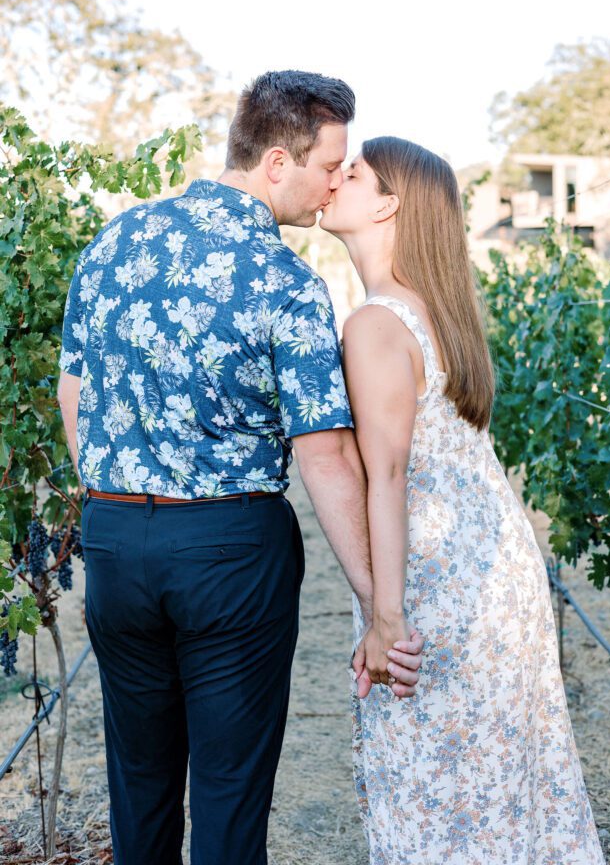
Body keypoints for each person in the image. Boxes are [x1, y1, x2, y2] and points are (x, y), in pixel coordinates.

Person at [57, 73, 422, 865]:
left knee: (138, 782)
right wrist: (373, 604)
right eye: (331, 164)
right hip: (229, 549)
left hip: (115, 537)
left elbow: (72, 390)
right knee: (227, 795)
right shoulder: (285, 281)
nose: (335, 183)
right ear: (280, 161)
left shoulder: (115, 240)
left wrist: (118, 497)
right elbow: (321, 451)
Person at [320, 136, 605, 864]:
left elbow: (385, 477)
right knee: (497, 788)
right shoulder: (433, 311)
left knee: (435, 791)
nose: (333, 179)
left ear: (387, 203)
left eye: (351, 172)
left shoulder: (377, 323)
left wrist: (385, 618)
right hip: (492, 571)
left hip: (437, 585)